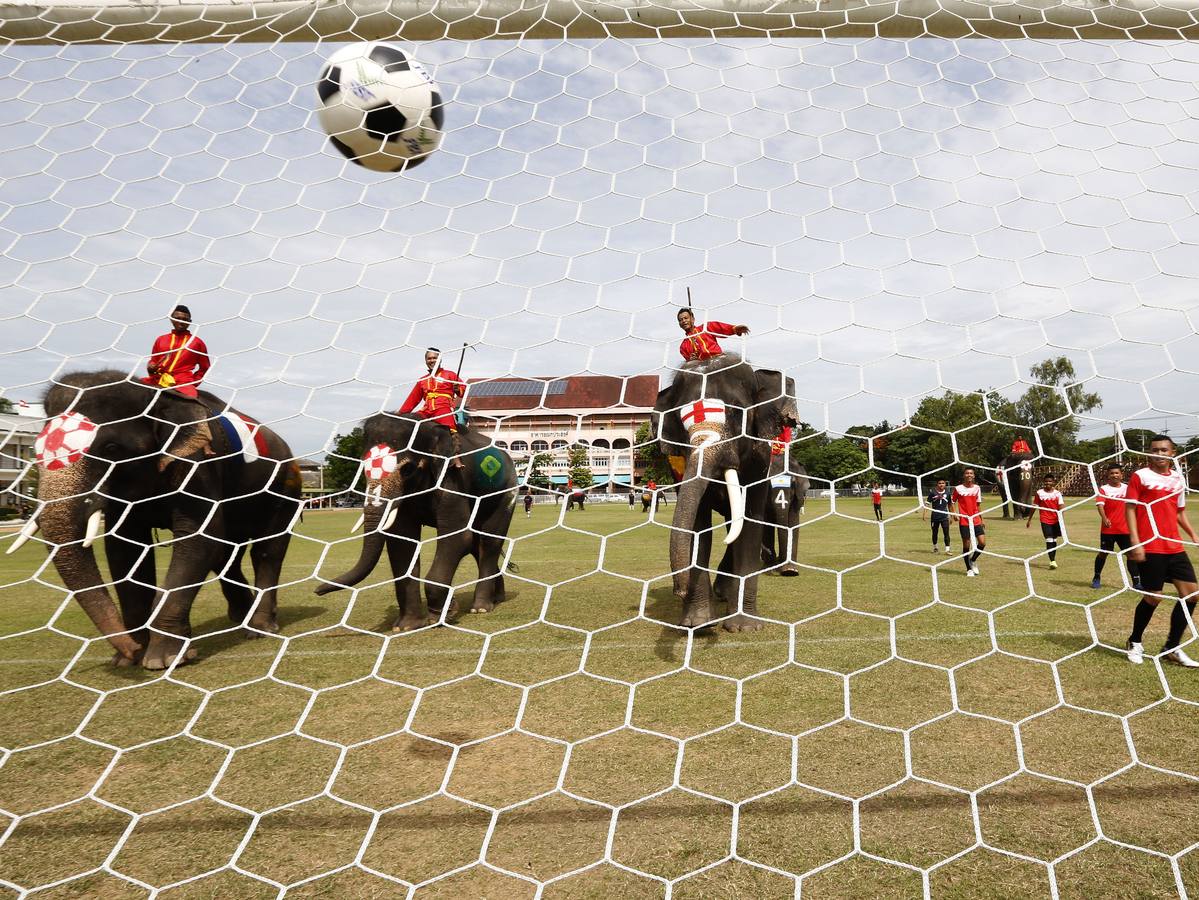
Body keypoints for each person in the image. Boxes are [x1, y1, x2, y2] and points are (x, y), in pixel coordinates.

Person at [1124, 435, 1199, 667]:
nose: (1159, 454)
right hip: (1150, 544)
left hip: (1173, 545)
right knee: (1153, 597)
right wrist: (1136, 542)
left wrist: (1193, 534)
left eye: (1163, 450)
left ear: (1172, 453)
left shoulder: (1177, 479)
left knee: (1192, 595)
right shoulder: (1141, 476)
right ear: (1149, 452)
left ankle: (1171, 647)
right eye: (1154, 450)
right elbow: (1130, 508)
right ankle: (1134, 641)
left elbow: (1178, 512)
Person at [397, 348, 466, 467]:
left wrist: (457, 389)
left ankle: (456, 458)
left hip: (443, 407)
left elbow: (463, 390)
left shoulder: (450, 374)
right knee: (412, 424)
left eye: (435, 357)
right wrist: (400, 415)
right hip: (427, 409)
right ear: (425, 361)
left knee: (450, 428)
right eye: (429, 358)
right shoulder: (422, 380)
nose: (432, 360)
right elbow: (413, 399)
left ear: (440, 359)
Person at [142, 305, 210, 398]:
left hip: (183, 383)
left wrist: (193, 382)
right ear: (171, 319)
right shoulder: (161, 339)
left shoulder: (197, 343)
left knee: (189, 401)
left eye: (184, 319)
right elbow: (153, 360)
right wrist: (150, 368)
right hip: (158, 379)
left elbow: (205, 367)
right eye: (178, 318)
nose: (181, 321)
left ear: (190, 322)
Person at [1093, 464, 1140, 590]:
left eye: (1117, 473)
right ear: (1108, 476)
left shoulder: (1127, 488)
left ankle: (1136, 582)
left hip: (1125, 529)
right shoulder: (1104, 489)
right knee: (1104, 554)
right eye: (1112, 473)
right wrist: (1104, 518)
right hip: (1108, 529)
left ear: (1121, 475)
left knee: (1131, 555)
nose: (1114, 475)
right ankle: (1096, 577)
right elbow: (1100, 505)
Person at [677, 308, 750, 362]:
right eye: (680, 320)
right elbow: (688, 361)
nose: (683, 321)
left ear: (692, 319)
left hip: (718, 359)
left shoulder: (705, 328)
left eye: (686, 318)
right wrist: (691, 359)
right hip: (700, 367)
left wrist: (735, 329)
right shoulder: (683, 347)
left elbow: (720, 328)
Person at [951, 468, 986, 577]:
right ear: (964, 475)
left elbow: (978, 504)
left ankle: (973, 560)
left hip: (975, 519)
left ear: (974, 476)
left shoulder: (977, 488)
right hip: (964, 520)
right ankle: (968, 569)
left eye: (971, 473)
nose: (969, 475)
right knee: (967, 545)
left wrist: (982, 519)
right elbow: (952, 502)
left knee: (982, 543)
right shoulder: (958, 489)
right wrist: (954, 514)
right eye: (967, 473)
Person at [1027, 474, 1064, 569]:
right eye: (1046, 481)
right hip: (1045, 519)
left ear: (1053, 482)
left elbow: (1061, 508)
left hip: (1056, 520)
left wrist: (1061, 520)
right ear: (1044, 482)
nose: (1048, 483)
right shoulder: (1039, 493)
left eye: (1050, 481)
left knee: (1054, 540)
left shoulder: (1057, 494)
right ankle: (1052, 561)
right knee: (1048, 539)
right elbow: (1034, 506)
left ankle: (1053, 559)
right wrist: (1029, 519)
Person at [923, 478, 952, 554]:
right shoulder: (932, 493)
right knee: (934, 533)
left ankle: (947, 550)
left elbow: (950, 505)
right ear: (937, 484)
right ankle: (935, 548)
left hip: (944, 517)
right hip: (935, 517)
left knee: (946, 533)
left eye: (943, 483)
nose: (941, 484)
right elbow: (927, 504)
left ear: (945, 484)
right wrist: (924, 514)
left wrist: (951, 516)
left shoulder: (948, 493)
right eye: (939, 483)